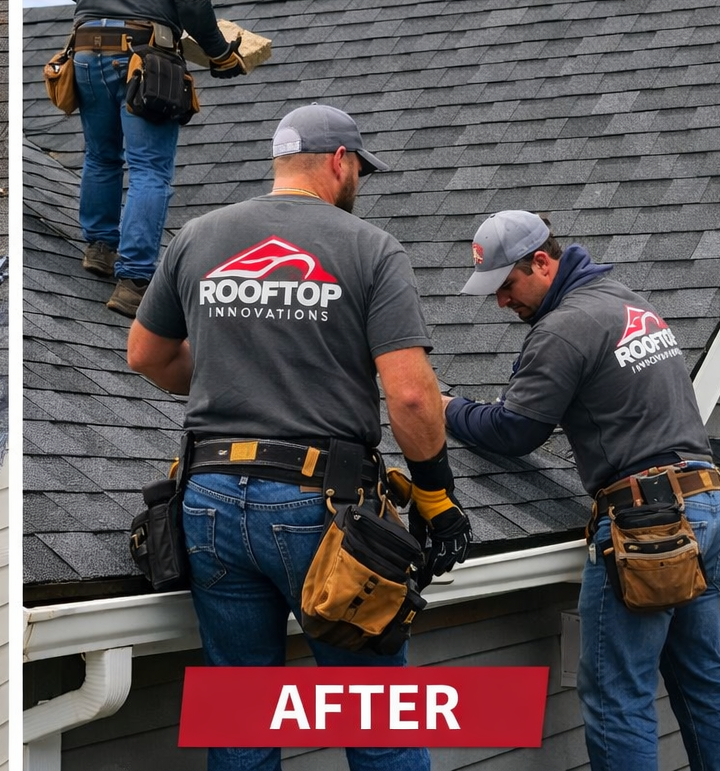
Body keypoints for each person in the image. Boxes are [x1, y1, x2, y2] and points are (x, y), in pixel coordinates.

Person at [128, 104, 471, 771]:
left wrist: (230, 379)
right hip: (321, 509)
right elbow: (408, 392)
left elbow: (144, 354)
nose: (359, 183)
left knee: (240, 715)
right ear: (340, 161)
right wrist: (436, 496)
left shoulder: (199, 236)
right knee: (378, 719)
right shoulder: (367, 248)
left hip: (208, 502)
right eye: (359, 170)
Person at [444, 210, 720, 771]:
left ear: (542, 261)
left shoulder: (565, 326)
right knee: (704, 684)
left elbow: (515, 430)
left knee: (616, 697)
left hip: (647, 526)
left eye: (507, 287)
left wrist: (449, 410)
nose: (502, 304)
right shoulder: (626, 300)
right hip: (706, 507)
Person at [60, 0, 249, 318]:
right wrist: (220, 54)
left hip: (85, 51)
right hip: (145, 58)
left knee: (102, 155)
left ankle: (98, 250)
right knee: (150, 170)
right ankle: (133, 281)